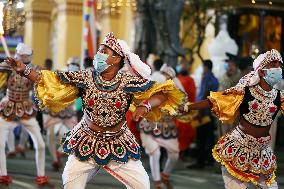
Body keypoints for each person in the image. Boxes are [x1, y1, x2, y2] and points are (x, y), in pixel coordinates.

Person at [5, 32, 185, 189]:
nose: (98, 55)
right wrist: (25, 71)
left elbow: (162, 93)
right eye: (99, 50)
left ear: (116, 59)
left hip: (118, 142)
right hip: (86, 138)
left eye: (104, 52)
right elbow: (54, 79)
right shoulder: (86, 76)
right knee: (70, 182)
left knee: (142, 185)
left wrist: (144, 105)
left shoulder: (127, 81)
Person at [187, 49, 282, 189]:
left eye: (279, 65)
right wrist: (188, 107)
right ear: (261, 71)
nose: (277, 69)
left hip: (262, 153)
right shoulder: (244, 91)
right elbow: (216, 101)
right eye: (273, 65)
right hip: (238, 149)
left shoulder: (280, 96)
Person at [0, 43, 49, 186]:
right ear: (17, 54)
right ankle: (2, 174)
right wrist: (5, 69)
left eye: (27, 56)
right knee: (0, 143)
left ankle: (41, 175)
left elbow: (44, 83)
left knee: (40, 144)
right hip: (7, 106)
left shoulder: (35, 69)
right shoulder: (6, 67)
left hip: (26, 107)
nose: (25, 58)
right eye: (22, 56)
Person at [139, 64, 184, 189]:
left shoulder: (174, 90)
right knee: (155, 153)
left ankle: (165, 175)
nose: (167, 78)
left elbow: (182, 104)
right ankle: (157, 182)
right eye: (165, 75)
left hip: (167, 126)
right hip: (149, 125)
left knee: (174, 154)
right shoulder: (152, 85)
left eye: (170, 76)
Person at [42, 57, 79, 171]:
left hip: (68, 111)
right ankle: (55, 159)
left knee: (77, 133)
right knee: (50, 134)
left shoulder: (80, 81)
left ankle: (60, 152)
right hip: (54, 109)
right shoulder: (58, 78)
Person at [188, 59, 219, 169]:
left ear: (206, 67)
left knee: (201, 137)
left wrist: (200, 111)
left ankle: (200, 162)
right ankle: (208, 160)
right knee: (209, 137)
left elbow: (205, 94)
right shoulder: (215, 79)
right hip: (211, 111)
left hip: (204, 111)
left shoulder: (206, 78)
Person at [175, 63, 197, 158]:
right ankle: (178, 151)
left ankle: (182, 152)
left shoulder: (189, 80)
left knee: (185, 132)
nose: (183, 67)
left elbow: (192, 94)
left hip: (186, 109)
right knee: (179, 131)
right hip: (178, 109)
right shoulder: (177, 79)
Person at [218, 53, 242, 136]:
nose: (229, 67)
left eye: (231, 65)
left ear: (236, 66)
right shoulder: (223, 77)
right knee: (224, 133)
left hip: (236, 112)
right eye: (228, 65)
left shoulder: (241, 78)